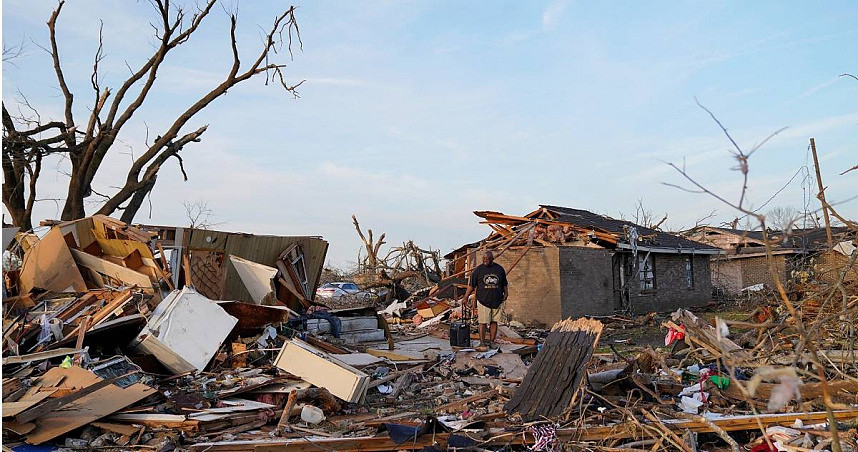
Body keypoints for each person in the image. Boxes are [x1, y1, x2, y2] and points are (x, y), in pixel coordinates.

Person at [463, 250, 508, 350]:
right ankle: (482, 342)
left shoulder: (499, 269)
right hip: (483, 300)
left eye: (487, 259)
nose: (485, 261)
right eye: (483, 259)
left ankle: (492, 342)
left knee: (494, 322)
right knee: (482, 322)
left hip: (497, 300)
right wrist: (465, 297)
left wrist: (506, 293)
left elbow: (504, 283)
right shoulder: (478, 270)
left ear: (492, 259)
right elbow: (471, 285)